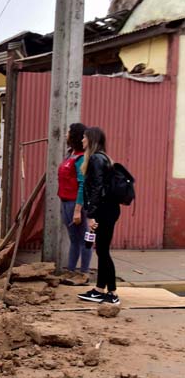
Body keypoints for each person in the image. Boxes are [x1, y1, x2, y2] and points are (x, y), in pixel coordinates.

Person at [77, 127, 121, 305]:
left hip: (103, 211)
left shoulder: (95, 159)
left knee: (103, 251)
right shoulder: (104, 157)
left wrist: (92, 215)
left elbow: (96, 188)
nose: (82, 140)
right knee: (102, 250)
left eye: (84, 137)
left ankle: (112, 293)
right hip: (109, 210)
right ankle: (99, 290)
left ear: (92, 139)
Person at [58, 123, 91, 277]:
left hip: (75, 203)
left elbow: (82, 184)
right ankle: (71, 270)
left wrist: (78, 210)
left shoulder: (80, 158)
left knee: (85, 238)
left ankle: (84, 272)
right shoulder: (70, 154)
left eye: (68, 132)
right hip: (65, 201)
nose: (66, 134)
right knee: (74, 239)